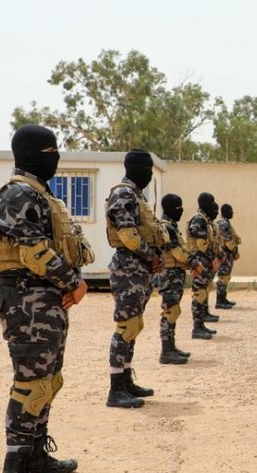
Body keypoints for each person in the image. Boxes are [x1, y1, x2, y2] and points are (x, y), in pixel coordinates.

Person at [0, 124, 93, 473]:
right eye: (52, 151)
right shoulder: (17, 194)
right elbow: (34, 252)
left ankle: (36, 458)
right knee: (29, 387)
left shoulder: (38, 193)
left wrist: (67, 286)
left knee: (49, 381)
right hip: (25, 301)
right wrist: (74, 283)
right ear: (35, 154)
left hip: (43, 301)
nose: (56, 158)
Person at [105, 149, 162, 408]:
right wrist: (152, 256)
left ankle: (126, 380)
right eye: (147, 169)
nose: (149, 174)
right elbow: (128, 237)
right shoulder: (123, 194)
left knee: (134, 325)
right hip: (128, 268)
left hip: (139, 269)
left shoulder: (136, 196)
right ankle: (115, 389)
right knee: (126, 326)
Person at [157, 193, 192, 365]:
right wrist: (194, 263)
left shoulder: (172, 226)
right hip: (170, 274)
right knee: (170, 311)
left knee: (174, 310)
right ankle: (166, 351)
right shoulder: (167, 227)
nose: (181, 210)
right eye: (178, 207)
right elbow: (178, 253)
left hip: (175, 274)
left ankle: (171, 347)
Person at [188, 193, 218, 340]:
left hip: (205, 261)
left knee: (203, 292)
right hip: (199, 262)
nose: (214, 205)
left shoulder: (204, 220)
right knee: (198, 294)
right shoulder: (198, 219)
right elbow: (201, 244)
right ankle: (197, 327)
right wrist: (213, 258)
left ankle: (201, 324)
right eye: (211, 202)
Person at [215, 203, 241, 309]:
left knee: (226, 277)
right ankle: (220, 301)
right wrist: (235, 251)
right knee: (223, 277)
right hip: (225, 254)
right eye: (230, 210)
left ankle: (223, 298)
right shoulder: (223, 224)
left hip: (227, 254)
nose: (232, 212)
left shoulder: (225, 223)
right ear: (225, 212)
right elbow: (227, 241)